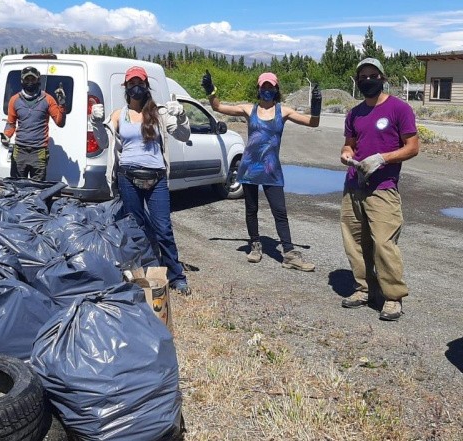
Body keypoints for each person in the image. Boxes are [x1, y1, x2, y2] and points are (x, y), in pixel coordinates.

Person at [202, 70, 321, 271]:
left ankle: (289, 254)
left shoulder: (284, 111)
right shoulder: (249, 109)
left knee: (280, 211)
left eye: (270, 86)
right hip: (250, 167)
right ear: (259, 88)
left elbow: (313, 122)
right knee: (251, 209)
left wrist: (316, 106)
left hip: (271, 169)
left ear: (276, 89)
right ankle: (255, 245)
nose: (267, 89)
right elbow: (218, 106)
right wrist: (211, 90)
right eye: (264, 86)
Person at [91, 66, 192, 295]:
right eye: (131, 83)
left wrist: (182, 116)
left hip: (156, 178)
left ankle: (177, 276)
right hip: (128, 176)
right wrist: (95, 123)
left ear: (146, 86)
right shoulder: (118, 115)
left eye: (140, 83)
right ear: (125, 87)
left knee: (163, 228)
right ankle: (138, 271)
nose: (136, 87)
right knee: (134, 227)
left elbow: (184, 135)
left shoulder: (160, 113)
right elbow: (103, 143)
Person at [338, 58, 419, 321]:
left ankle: (392, 297)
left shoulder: (399, 109)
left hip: (382, 188)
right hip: (353, 185)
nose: (368, 80)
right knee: (355, 241)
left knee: (384, 243)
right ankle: (364, 289)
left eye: (373, 76)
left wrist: (382, 158)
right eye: (363, 77)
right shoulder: (355, 113)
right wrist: (347, 154)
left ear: (383, 79)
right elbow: (349, 144)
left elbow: (413, 147)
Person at [3, 66, 66, 181]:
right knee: (17, 188)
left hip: (39, 151)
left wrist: (61, 104)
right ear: (22, 81)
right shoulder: (14, 100)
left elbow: (59, 122)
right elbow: (11, 124)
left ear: (38, 80)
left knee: (37, 190)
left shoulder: (48, 99)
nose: (30, 82)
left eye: (33, 79)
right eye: (27, 79)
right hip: (19, 151)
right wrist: (6, 136)